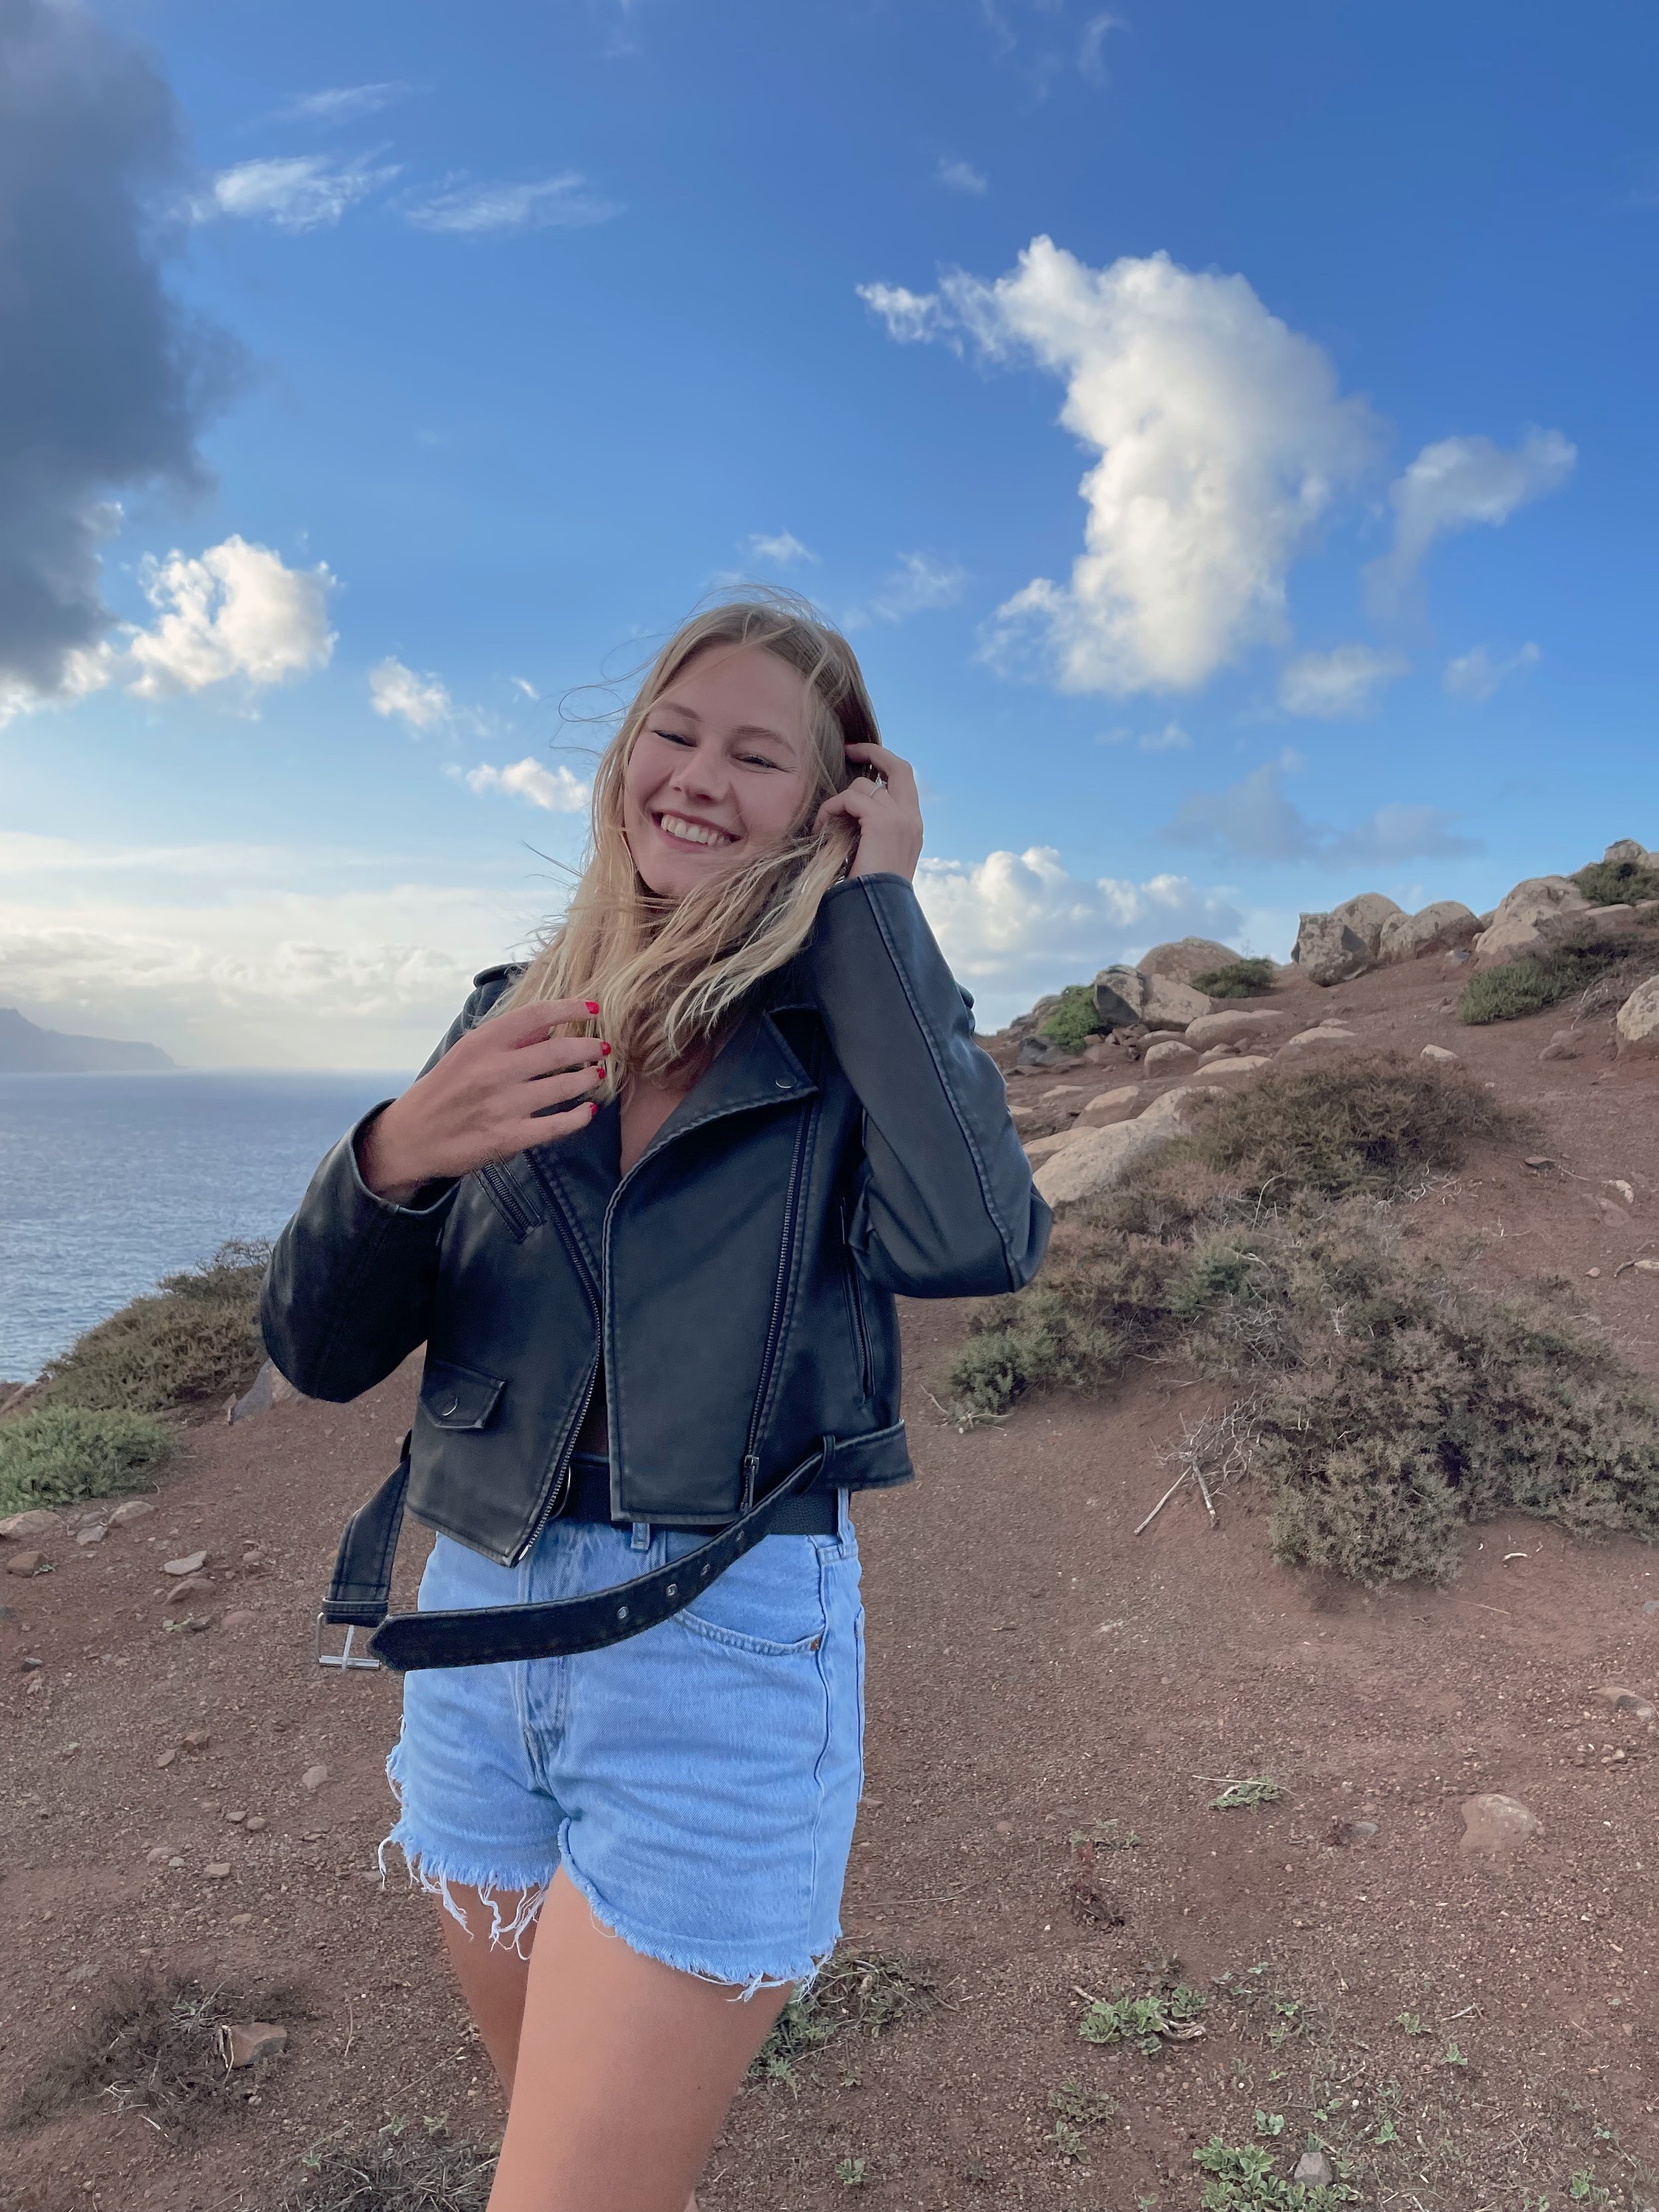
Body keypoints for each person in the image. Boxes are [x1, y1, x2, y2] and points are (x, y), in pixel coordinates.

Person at [262, 595, 1049, 2212]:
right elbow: (323, 1351)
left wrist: (879, 906)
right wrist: (396, 1151)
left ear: (831, 797)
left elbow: (974, 1239)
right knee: (570, 2154)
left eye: (759, 755)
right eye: (672, 733)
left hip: (721, 1638)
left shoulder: (850, 1028)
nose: (696, 777)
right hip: (476, 1635)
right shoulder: (514, 1008)